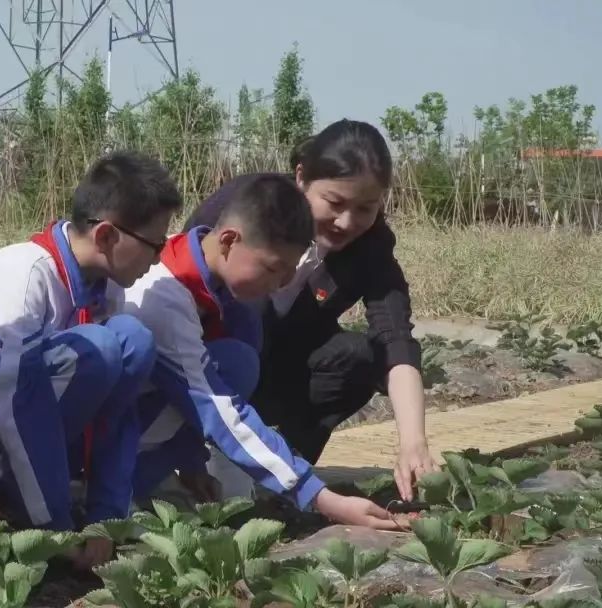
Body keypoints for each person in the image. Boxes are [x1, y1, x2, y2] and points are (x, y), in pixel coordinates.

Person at [0, 150, 181, 570]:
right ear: (105, 236)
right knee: (97, 350)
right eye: (154, 244)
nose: (158, 258)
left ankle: (48, 500)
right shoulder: (24, 276)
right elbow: (15, 409)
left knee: (133, 341)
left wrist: (106, 517)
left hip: (21, 430)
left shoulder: (105, 288)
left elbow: (117, 415)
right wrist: (54, 529)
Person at [125, 173, 401, 530]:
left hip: (136, 418)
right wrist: (320, 496)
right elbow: (220, 411)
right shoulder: (165, 297)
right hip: (96, 438)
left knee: (236, 360)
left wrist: (191, 461)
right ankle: (107, 487)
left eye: (290, 271)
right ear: (228, 240)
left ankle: (158, 471)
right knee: (220, 385)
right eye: (273, 268)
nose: (281, 284)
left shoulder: (201, 272)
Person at [183, 119, 439, 502]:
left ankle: (287, 468)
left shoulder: (370, 246)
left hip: (283, 369)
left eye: (366, 209)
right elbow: (183, 291)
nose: (347, 222)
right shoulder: (250, 207)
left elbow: (396, 338)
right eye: (334, 203)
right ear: (301, 178)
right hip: (210, 369)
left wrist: (414, 443)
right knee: (247, 316)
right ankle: (207, 455)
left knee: (360, 357)